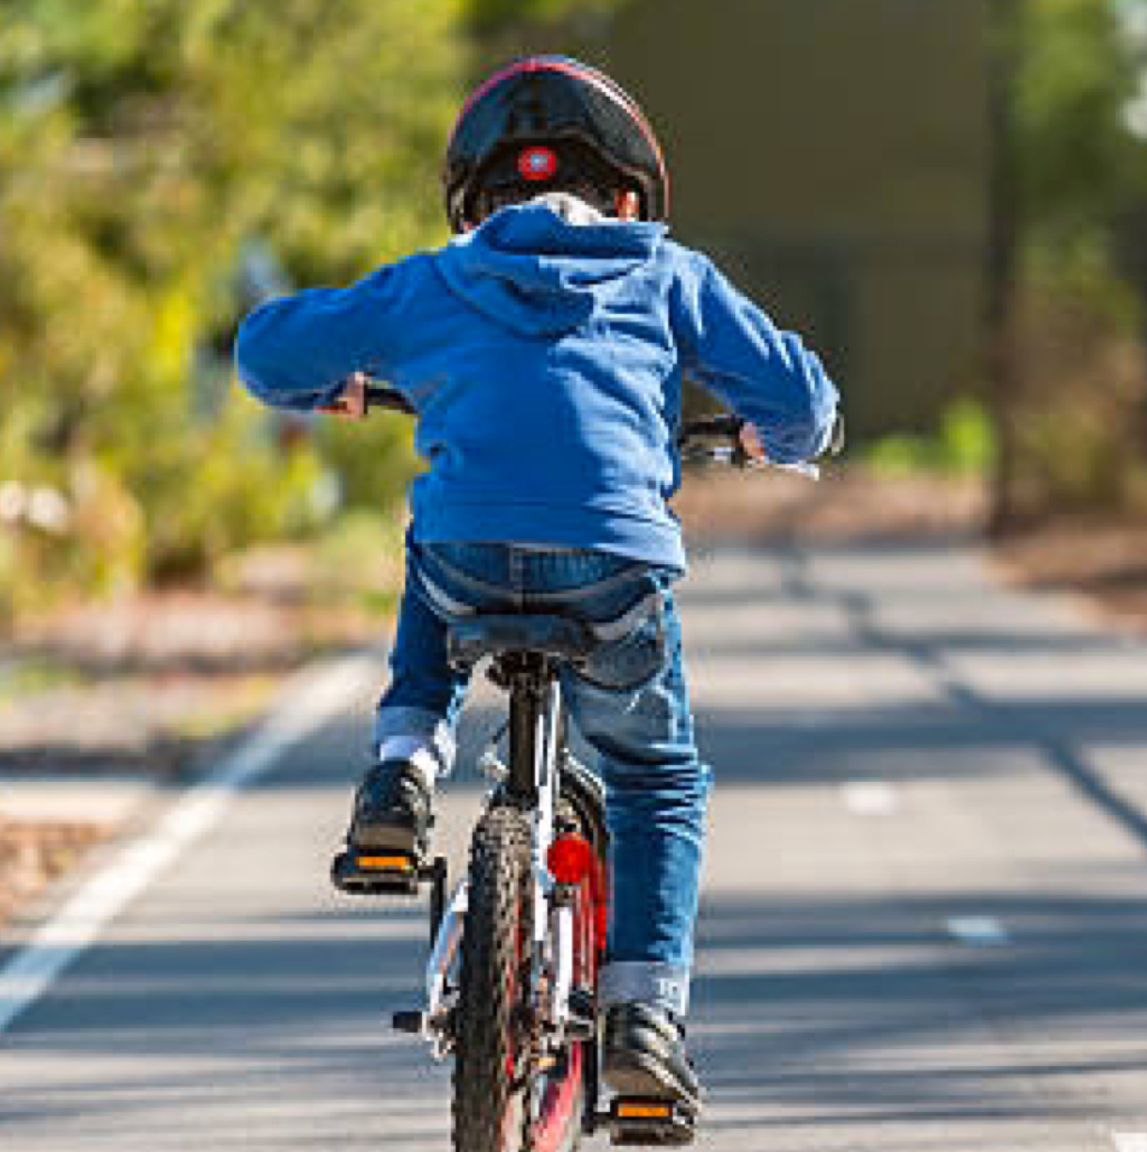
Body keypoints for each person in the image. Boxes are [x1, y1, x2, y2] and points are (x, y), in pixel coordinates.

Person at [233, 55, 839, 1120]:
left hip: (468, 565)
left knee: (438, 544)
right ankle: (644, 1021)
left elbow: (265, 350)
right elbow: (799, 400)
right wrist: (772, 436)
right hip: (612, 571)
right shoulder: (666, 272)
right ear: (628, 195)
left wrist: (340, 382)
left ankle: (400, 771)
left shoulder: (436, 280)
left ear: (478, 201)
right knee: (656, 781)